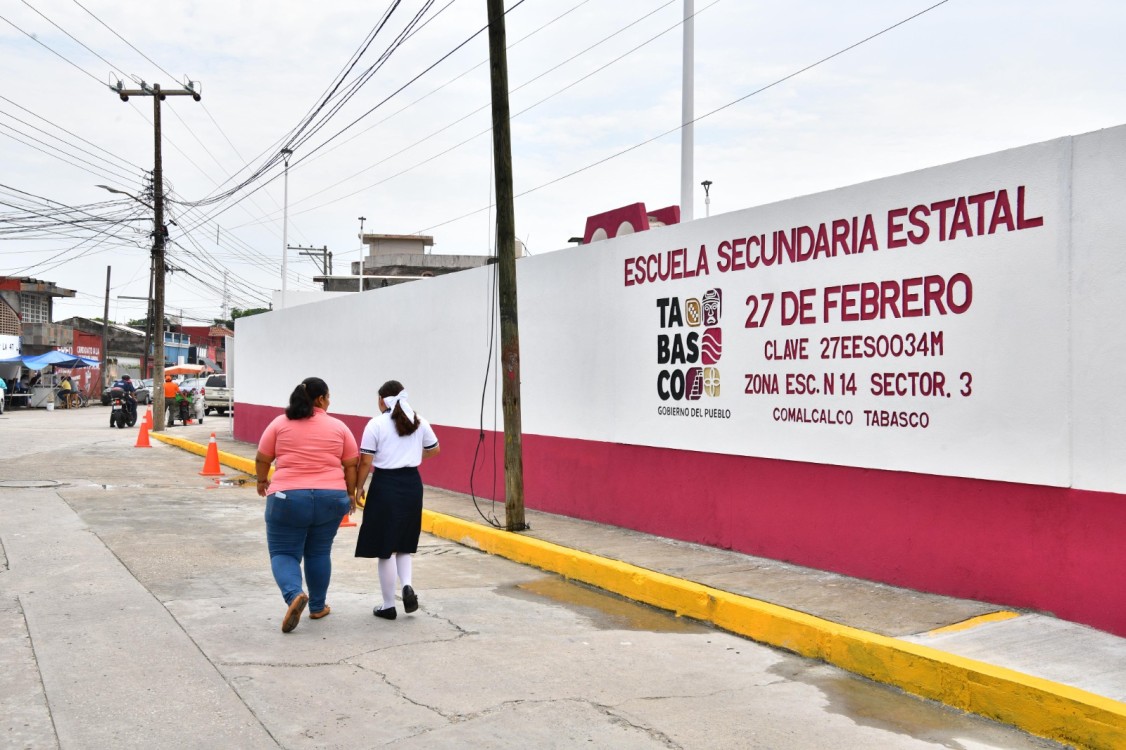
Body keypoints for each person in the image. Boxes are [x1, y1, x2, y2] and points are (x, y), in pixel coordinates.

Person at [255, 377, 359, 633]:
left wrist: (261, 480)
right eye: (329, 396)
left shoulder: (280, 423)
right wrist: (349, 494)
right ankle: (317, 606)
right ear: (321, 399)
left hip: (287, 497)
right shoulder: (339, 427)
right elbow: (351, 464)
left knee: (283, 553)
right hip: (331, 498)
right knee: (319, 552)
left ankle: (294, 596)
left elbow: (262, 457)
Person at [354, 380, 440, 620]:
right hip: (412, 484)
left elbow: (365, 462)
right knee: (404, 543)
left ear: (382, 400)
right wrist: (413, 454)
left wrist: (358, 487)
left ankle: (388, 605)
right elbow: (435, 449)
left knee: (385, 549)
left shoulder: (376, 424)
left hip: (386, 486)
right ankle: (407, 585)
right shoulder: (419, 421)